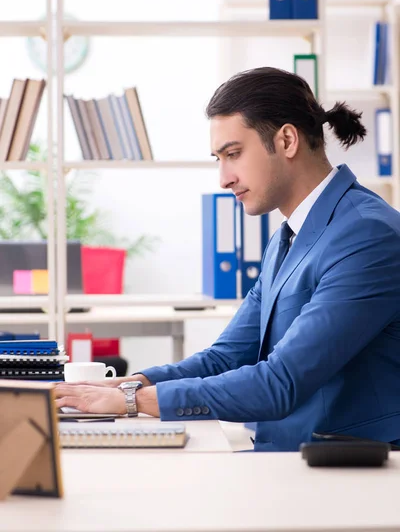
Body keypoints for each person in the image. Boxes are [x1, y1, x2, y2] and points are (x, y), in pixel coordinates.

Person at [55, 67, 400, 451]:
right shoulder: (288, 236)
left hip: (354, 473)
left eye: (233, 154)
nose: (223, 178)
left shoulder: (366, 234)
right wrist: (131, 384)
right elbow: (227, 357)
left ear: (287, 140)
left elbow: (281, 382)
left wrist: (133, 402)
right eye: (218, 159)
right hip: (290, 459)